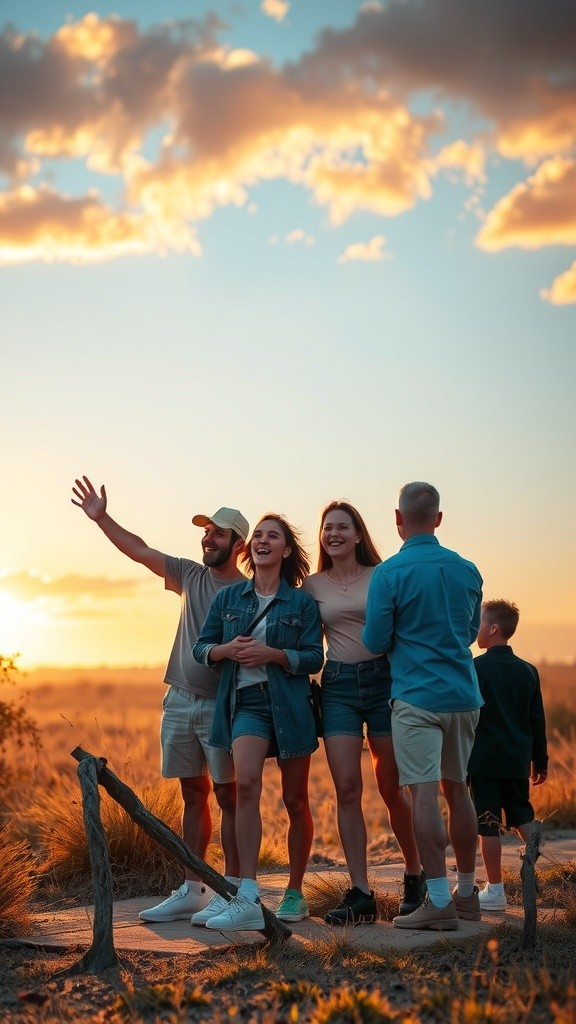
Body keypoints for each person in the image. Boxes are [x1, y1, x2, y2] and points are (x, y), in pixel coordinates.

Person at [71, 475, 248, 923]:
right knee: (193, 793)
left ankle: (232, 893)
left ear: (239, 545)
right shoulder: (189, 573)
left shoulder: (249, 591)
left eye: (218, 533)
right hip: (180, 702)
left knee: (228, 797)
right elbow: (141, 550)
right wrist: (101, 518)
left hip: (222, 707)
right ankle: (194, 888)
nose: (208, 538)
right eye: (206, 531)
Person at [192, 513, 323, 931]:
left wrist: (275, 656)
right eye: (260, 536)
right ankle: (247, 894)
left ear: (286, 550)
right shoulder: (230, 599)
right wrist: (227, 649)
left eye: (274, 536)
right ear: (251, 549)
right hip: (245, 704)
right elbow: (201, 648)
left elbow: (314, 658)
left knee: (296, 801)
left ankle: (295, 891)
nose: (264, 541)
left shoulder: (301, 603)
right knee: (245, 785)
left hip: (290, 705)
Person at [363, 482, 484, 931]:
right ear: (438, 518)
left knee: (423, 793)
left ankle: (437, 901)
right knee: (458, 789)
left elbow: (374, 641)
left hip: (416, 697)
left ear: (398, 519)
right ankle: (467, 893)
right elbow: (470, 632)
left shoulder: (389, 574)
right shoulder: (468, 570)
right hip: (464, 696)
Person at [303, 500, 424, 925]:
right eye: (327, 528)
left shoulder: (383, 575)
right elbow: (302, 638)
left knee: (392, 787)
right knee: (347, 788)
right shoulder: (311, 585)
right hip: (337, 686)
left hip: (384, 681)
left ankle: (415, 875)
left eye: (342, 527)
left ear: (358, 535)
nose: (333, 534)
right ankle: (360, 894)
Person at [469, 599, 548, 912]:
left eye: (479, 623)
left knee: (487, 824)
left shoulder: (475, 668)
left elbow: (468, 715)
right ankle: (534, 870)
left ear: (493, 628)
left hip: (484, 760)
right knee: (521, 816)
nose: (475, 629)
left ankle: (495, 890)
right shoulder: (528, 671)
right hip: (516, 760)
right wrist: (540, 762)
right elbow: (536, 720)